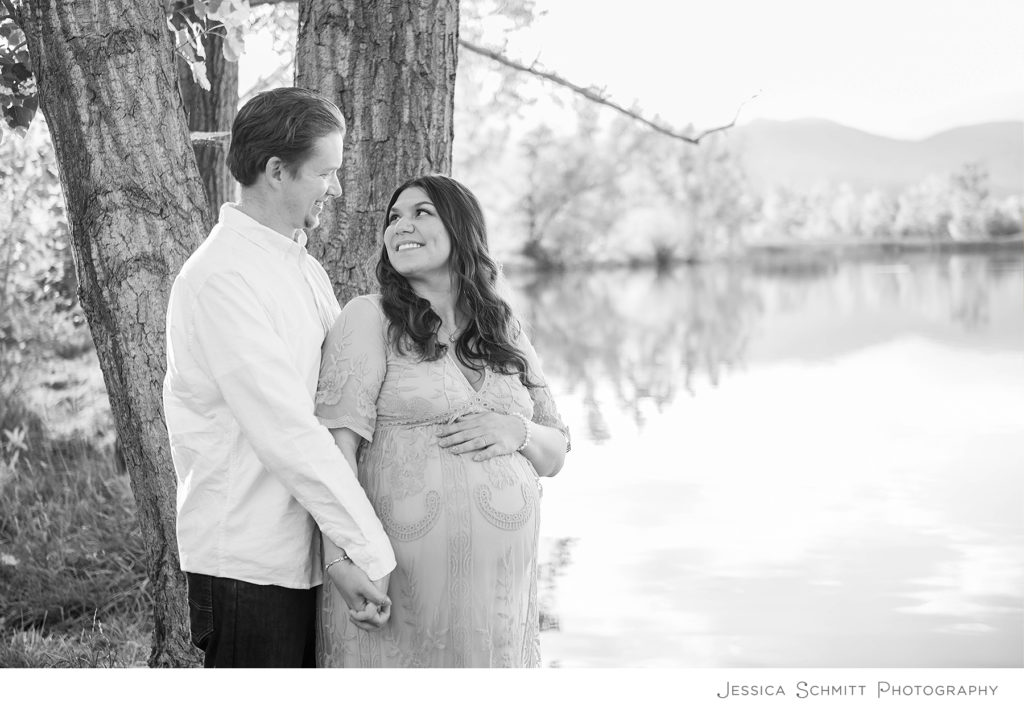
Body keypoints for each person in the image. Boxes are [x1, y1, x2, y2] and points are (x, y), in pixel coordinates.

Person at [163, 87, 396, 668]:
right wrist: (367, 548)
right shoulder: (221, 278)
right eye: (326, 172)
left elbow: (338, 400)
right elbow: (286, 429)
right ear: (276, 171)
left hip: (304, 556)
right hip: (248, 563)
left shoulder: (302, 267)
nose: (337, 188)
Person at [314, 175, 570, 667]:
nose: (400, 226)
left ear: (461, 228)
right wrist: (342, 559)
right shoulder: (369, 318)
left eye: (420, 213)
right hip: (396, 589)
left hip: (499, 601)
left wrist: (515, 430)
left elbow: (555, 450)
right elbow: (333, 451)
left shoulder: (502, 326)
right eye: (393, 218)